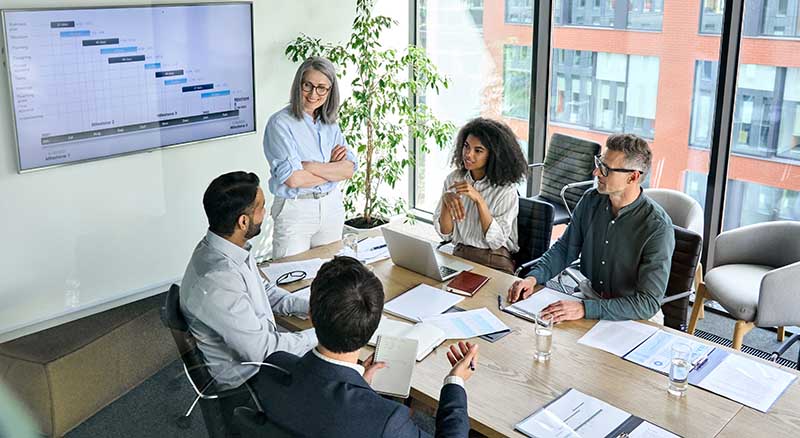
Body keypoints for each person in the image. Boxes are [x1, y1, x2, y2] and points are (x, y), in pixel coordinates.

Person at [252, 256, 478, 437]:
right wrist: (455, 382)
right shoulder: (387, 421)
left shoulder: (273, 368)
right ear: (374, 325)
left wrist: (362, 389)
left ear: (310, 313)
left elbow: (322, 410)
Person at [508, 134, 675, 322]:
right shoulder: (590, 200)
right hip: (590, 296)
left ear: (633, 177)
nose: (596, 173)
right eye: (599, 163)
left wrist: (585, 309)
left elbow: (647, 303)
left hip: (633, 314)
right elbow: (564, 249)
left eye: (606, 169)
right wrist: (533, 278)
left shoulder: (657, 227)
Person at [181, 171, 317, 391]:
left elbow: (264, 291)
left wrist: (310, 307)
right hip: (250, 381)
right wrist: (325, 334)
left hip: (261, 355)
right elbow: (263, 351)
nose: (267, 213)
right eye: (262, 208)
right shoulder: (217, 280)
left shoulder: (225, 248)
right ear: (243, 221)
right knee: (340, 374)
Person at [263, 56, 357, 259]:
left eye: (322, 87)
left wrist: (309, 166)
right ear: (299, 85)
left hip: (331, 206)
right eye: (308, 85)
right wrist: (332, 169)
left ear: (330, 91)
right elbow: (294, 179)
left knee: (331, 279)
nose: (314, 94)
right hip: (296, 208)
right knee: (292, 278)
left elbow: (348, 169)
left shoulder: (331, 123)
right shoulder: (280, 124)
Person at [432, 118, 528, 274]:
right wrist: (445, 202)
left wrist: (479, 200)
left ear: (493, 155)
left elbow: (496, 241)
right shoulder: (453, 179)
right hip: (460, 255)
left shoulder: (506, 190)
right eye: (466, 146)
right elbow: (446, 234)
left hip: (494, 260)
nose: (468, 154)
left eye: (478, 150)